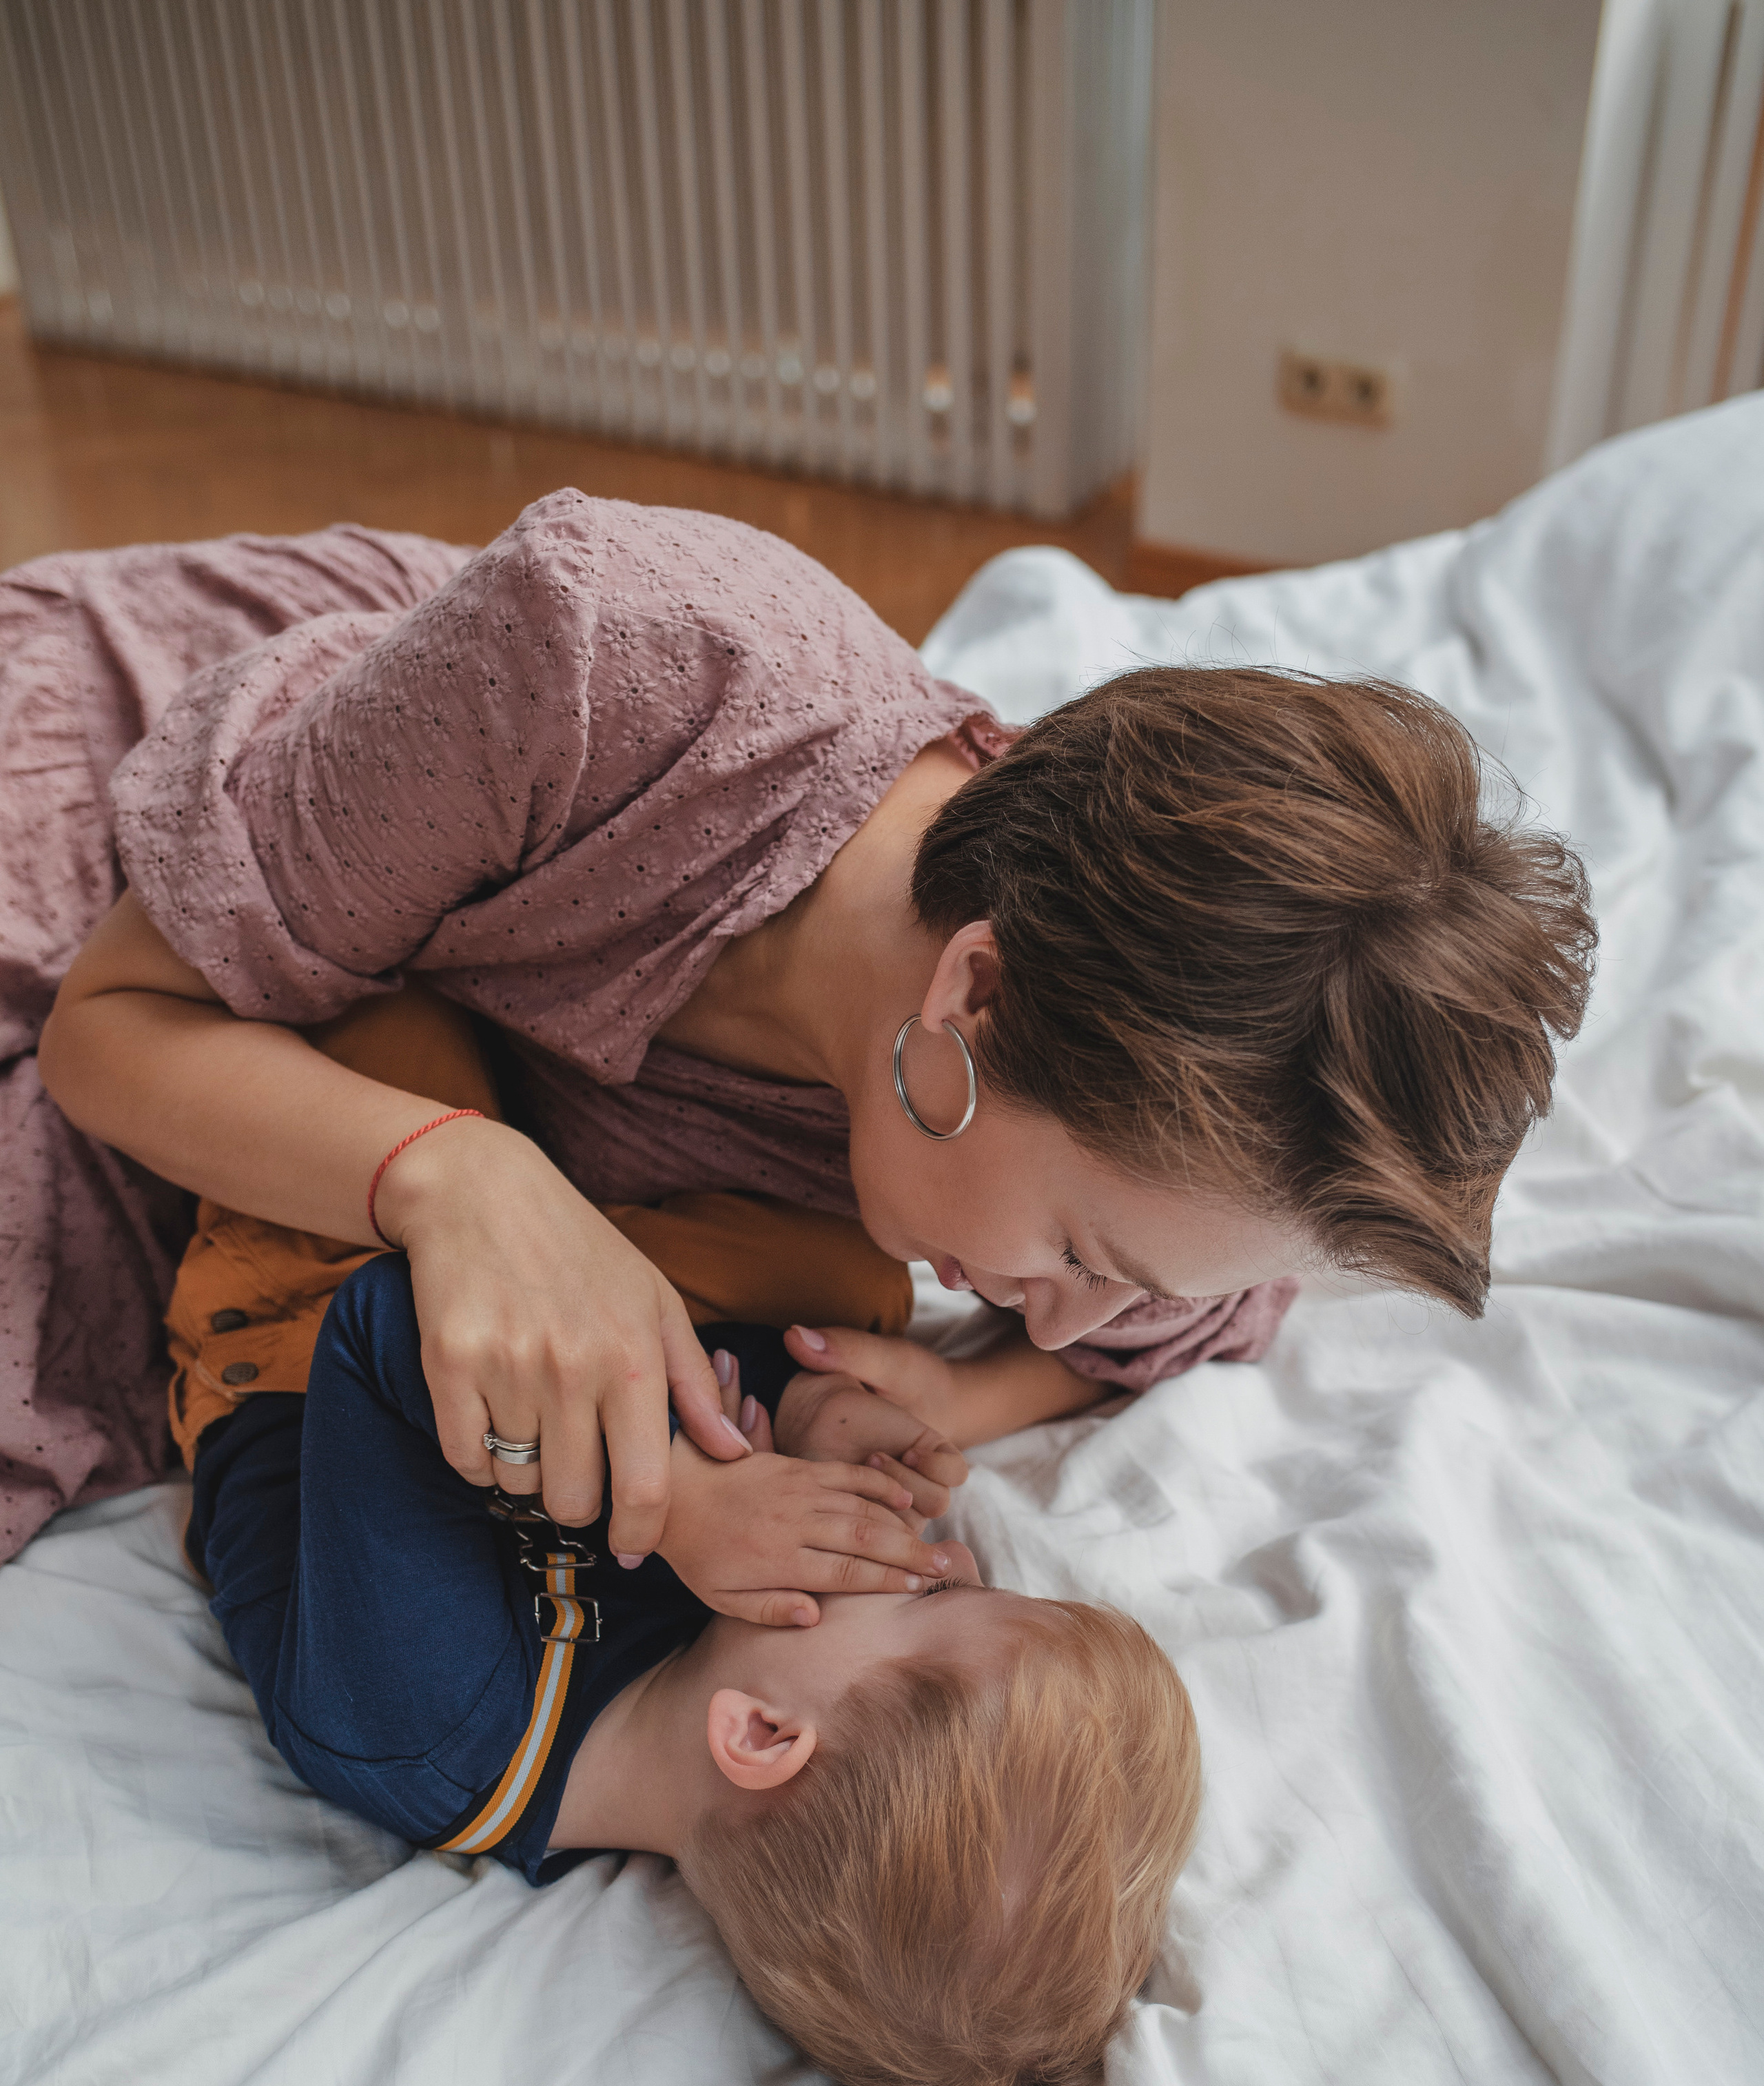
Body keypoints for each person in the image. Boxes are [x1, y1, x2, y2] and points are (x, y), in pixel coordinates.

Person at [14, 493, 1596, 1567]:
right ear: (970, 995)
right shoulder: (622, 659)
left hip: (268, 1102)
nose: (1057, 1322)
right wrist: (469, 1186)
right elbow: (119, 1024)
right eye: (1081, 1256)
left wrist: (956, 1398)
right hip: (122, 828)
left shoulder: (1154, 1124)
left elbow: (1197, 1311)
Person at [190, 1251, 1200, 2086]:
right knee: (844, 1289)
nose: (949, 1553)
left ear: (761, 1735)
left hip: (292, 1332)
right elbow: (712, 1376)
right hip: (537, 1312)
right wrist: (805, 1412)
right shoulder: (723, 1649)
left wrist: (672, 1494)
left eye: (932, 1601)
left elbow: (400, 1312)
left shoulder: (415, 1719)